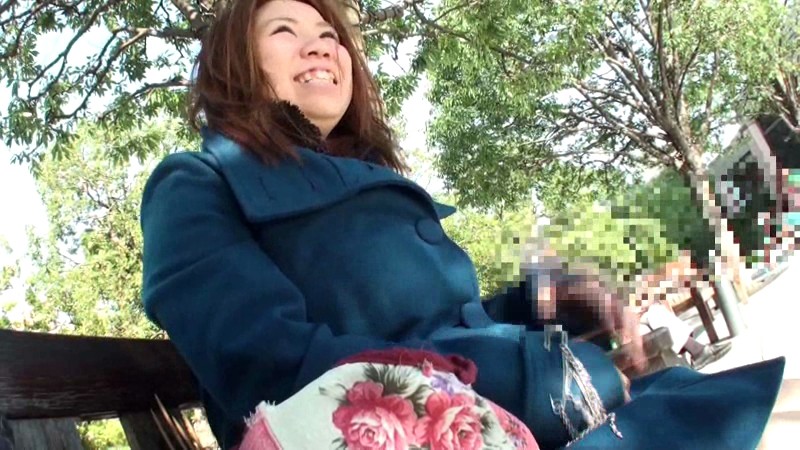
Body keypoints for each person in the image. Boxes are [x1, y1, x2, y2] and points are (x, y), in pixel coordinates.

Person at [140, 1, 785, 449]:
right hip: (435, 424)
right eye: (284, 30)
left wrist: (547, 295)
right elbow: (270, 363)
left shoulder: (366, 179)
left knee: (753, 402)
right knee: (763, 413)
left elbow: (456, 319)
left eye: (330, 34)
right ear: (234, 65)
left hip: (508, 412)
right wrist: (532, 376)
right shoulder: (196, 182)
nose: (322, 45)